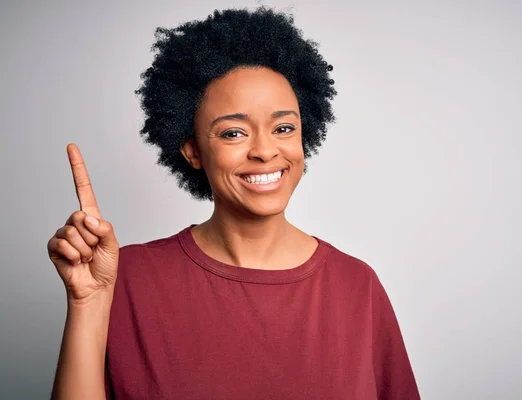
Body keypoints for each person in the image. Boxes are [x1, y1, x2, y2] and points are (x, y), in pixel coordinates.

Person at [48, 6, 420, 400]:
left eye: (283, 128)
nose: (264, 150)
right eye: (233, 133)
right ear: (192, 150)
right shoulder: (127, 277)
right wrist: (87, 302)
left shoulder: (356, 286)